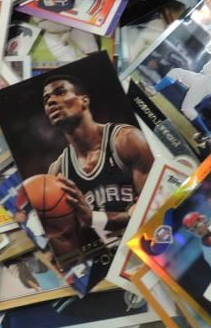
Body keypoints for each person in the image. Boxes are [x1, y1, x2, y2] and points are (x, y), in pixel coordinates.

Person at [41, 73, 154, 268]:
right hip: (109, 263)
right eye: (46, 99)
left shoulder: (127, 141)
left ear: (84, 101)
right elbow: (71, 245)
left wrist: (93, 218)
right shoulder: (58, 171)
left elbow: (154, 211)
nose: (51, 101)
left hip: (152, 246)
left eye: (60, 92)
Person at [152, 40, 211, 145]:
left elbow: (210, 48)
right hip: (206, 80)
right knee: (176, 72)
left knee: (187, 108)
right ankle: (153, 90)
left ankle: (207, 134)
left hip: (205, 80)